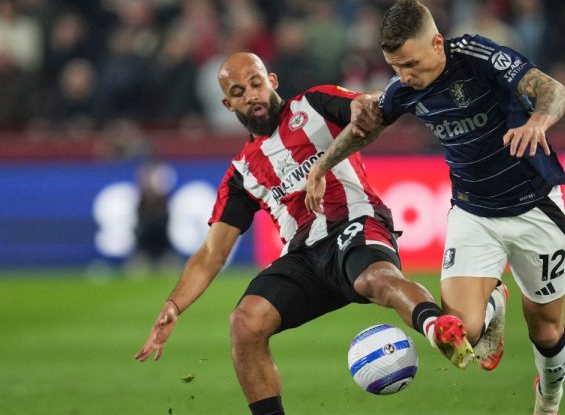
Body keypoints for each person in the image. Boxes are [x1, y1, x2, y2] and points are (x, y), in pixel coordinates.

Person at [133, 52, 475, 415]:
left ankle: (439, 328)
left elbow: (366, 105)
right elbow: (212, 253)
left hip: (355, 224)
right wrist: (174, 305)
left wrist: (364, 104)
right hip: (304, 256)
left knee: (374, 279)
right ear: (227, 104)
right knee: (245, 322)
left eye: (255, 83)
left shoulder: (313, 105)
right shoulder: (242, 173)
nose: (251, 95)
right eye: (238, 92)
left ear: (272, 82)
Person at [305, 0, 565, 415]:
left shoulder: (478, 56)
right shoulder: (405, 87)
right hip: (472, 213)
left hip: (534, 207)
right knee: (458, 336)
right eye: (395, 67)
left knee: (547, 330)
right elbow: (367, 128)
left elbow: (554, 90)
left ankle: (549, 401)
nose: (404, 76)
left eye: (410, 64)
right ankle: (492, 301)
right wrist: (322, 166)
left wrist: (538, 121)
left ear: (436, 42)